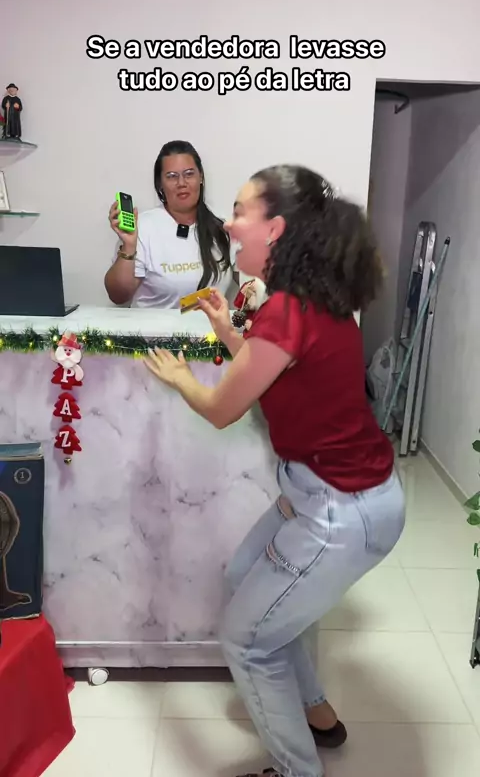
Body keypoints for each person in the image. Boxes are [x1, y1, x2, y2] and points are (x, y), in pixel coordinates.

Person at [143, 164, 406, 777]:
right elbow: (274, 371)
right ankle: (317, 714)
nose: (229, 224)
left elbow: (223, 408)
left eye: (241, 212)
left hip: (341, 509)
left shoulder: (288, 307)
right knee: (244, 575)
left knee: (246, 640)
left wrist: (181, 377)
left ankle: (296, 771)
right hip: (325, 494)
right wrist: (225, 330)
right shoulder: (304, 302)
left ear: (276, 228)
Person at [104, 140, 237, 308]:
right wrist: (129, 246)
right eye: (172, 176)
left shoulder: (222, 226)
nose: (182, 183)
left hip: (211, 325)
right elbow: (118, 295)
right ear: (160, 183)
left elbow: (251, 282)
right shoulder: (143, 227)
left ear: (201, 177)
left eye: (189, 174)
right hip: (155, 325)